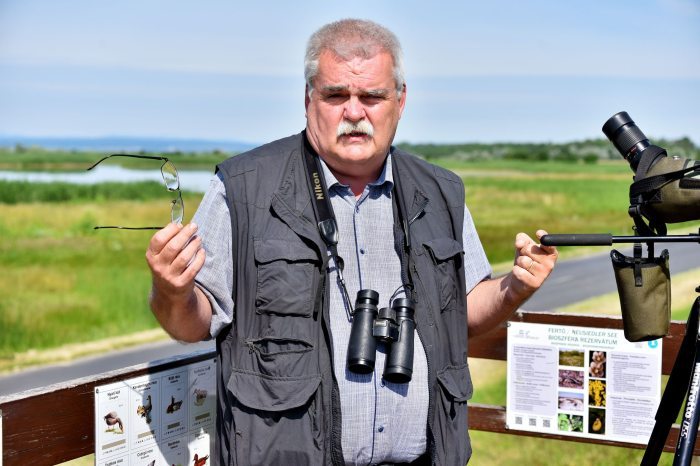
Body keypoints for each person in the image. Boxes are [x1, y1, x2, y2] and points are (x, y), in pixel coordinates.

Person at [146, 18, 557, 465]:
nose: (355, 112)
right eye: (336, 95)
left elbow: (466, 308)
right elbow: (191, 325)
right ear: (308, 100)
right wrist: (172, 288)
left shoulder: (440, 191)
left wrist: (516, 287)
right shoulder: (243, 187)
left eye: (372, 96)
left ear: (400, 101)